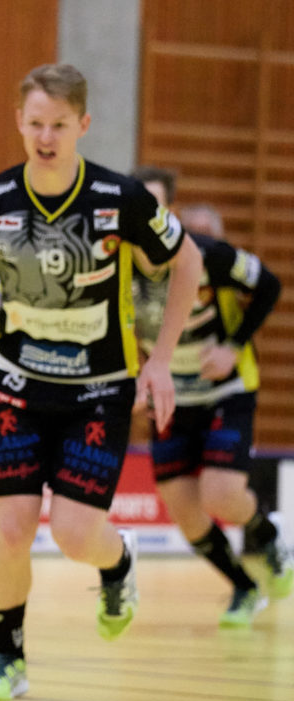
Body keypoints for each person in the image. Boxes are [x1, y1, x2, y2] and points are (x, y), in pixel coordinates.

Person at [0, 64, 203, 701]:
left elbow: (188, 261)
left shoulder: (120, 200)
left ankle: (117, 560)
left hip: (100, 388)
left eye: (59, 125)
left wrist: (161, 359)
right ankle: (6, 657)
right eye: (35, 123)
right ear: (19, 122)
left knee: (71, 534)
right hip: (15, 387)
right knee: (9, 529)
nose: (45, 136)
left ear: (83, 126)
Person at [129, 166, 291, 626]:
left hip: (225, 389)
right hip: (170, 397)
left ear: (169, 211)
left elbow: (270, 286)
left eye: (154, 205)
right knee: (183, 508)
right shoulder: (118, 262)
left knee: (220, 494)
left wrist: (233, 346)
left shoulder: (204, 253)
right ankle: (242, 587)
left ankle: (268, 535)